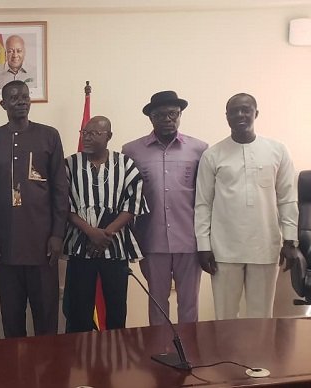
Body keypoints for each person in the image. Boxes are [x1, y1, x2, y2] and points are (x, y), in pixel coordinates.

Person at [194, 93, 300, 319]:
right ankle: (226, 355)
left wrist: (290, 240)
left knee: (261, 315)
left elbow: (287, 198)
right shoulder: (212, 155)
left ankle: (258, 356)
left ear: (256, 113)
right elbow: (203, 204)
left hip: (265, 245)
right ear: (226, 116)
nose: (240, 115)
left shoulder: (277, 150)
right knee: (225, 315)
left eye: (245, 110)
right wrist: (203, 245)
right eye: (234, 111)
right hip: (224, 248)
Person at [0, 80, 69, 338]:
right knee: (12, 316)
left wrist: (57, 235)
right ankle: (15, 374)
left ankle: (49, 373)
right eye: (14, 97)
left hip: (43, 246)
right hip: (5, 246)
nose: (21, 101)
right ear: (3, 104)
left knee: (46, 316)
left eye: (25, 96)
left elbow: (61, 190)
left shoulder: (49, 136)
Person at [121, 91, 208, 326]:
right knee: (157, 303)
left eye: (173, 114)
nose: (168, 119)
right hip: (151, 240)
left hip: (189, 240)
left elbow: (206, 197)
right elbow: (128, 197)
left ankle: (189, 352)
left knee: (189, 303)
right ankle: (160, 352)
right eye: (160, 115)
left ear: (180, 115)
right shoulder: (131, 151)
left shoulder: (200, 149)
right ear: (151, 118)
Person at [63, 116, 148, 333]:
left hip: (115, 247)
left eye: (94, 133)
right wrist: (91, 232)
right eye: (84, 133)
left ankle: (114, 360)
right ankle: (79, 360)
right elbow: (63, 204)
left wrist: (106, 234)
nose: (87, 138)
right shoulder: (69, 165)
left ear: (109, 136)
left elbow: (134, 203)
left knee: (116, 309)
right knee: (78, 310)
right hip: (80, 247)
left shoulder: (126, 164)